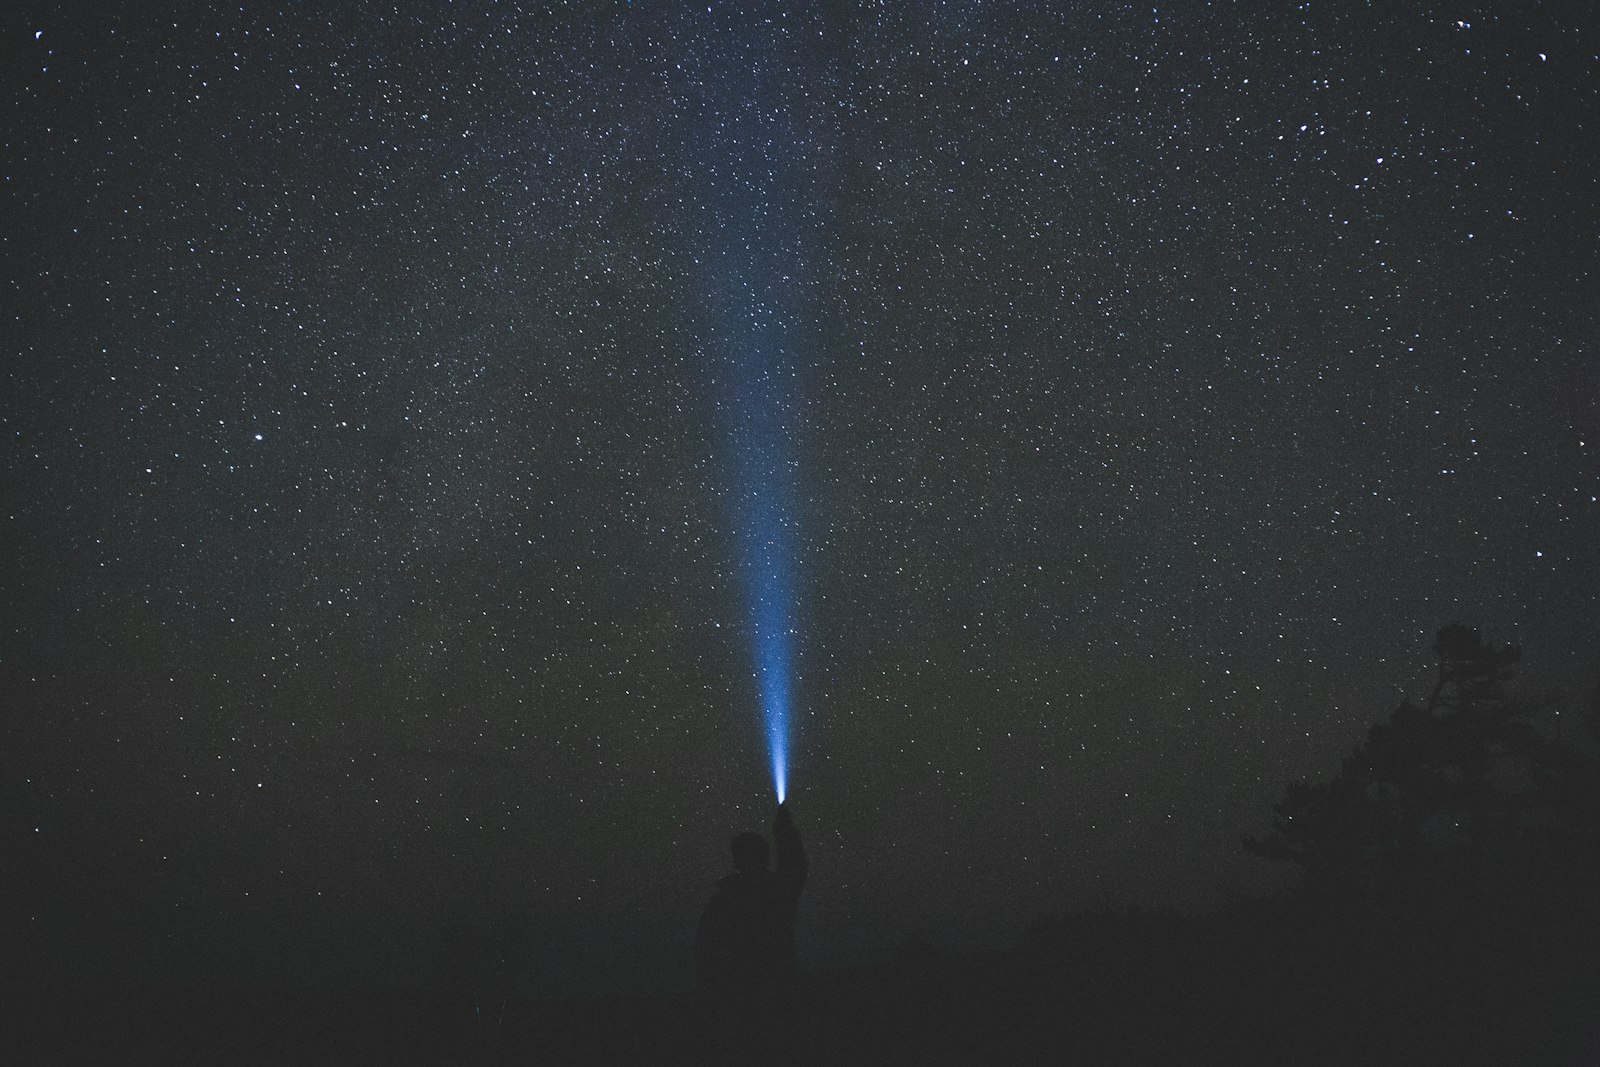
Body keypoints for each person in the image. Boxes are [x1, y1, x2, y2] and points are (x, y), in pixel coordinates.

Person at [694, 801, 807, 995]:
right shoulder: (777, 891)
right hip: (776, 984)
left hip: (735, 989)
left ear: (737, 859)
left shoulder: (725, 900)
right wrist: (784, 829)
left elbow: (704, 948)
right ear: (765, 856)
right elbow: (794, 864)